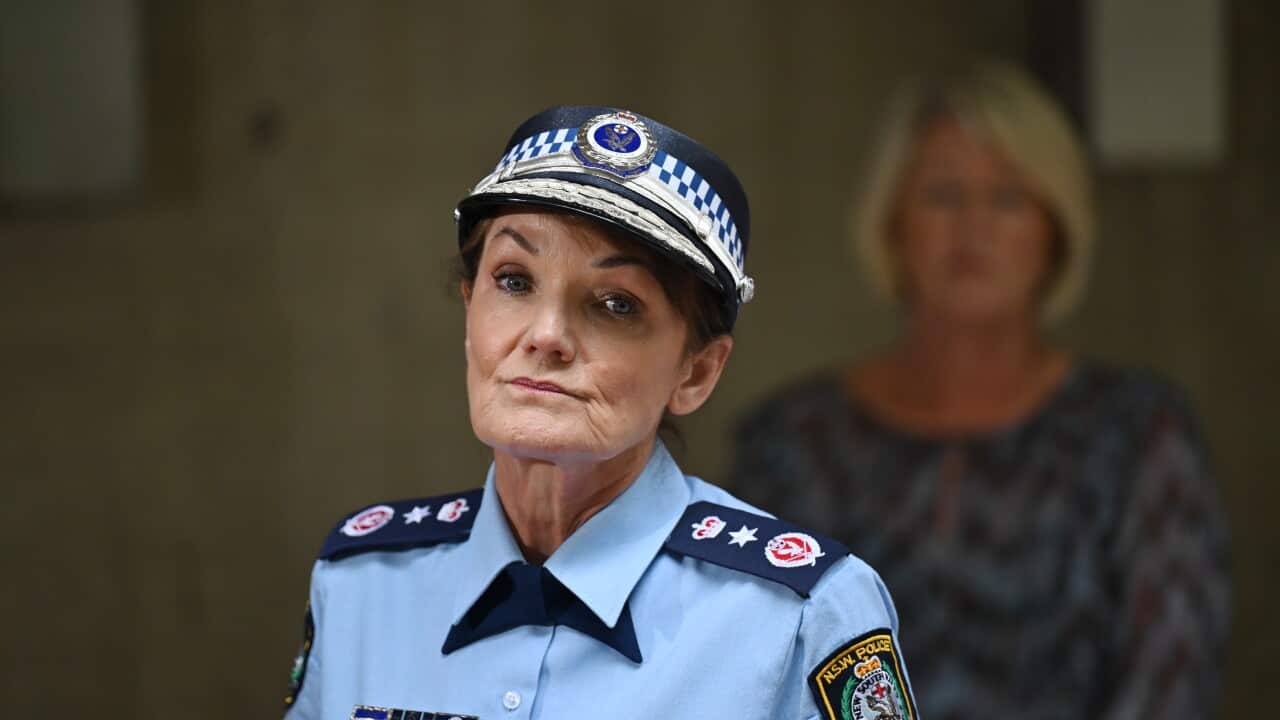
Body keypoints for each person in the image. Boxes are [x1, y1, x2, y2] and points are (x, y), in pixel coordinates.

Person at [282, 106, 918, 720]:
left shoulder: (802, 614)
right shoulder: (363, 582)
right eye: (513, 280)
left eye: (616, 303)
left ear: (696, 372)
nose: (546, 335)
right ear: (468, 307)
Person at [727, 62, 1232, 718]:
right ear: (891, 224)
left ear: (1056, 232)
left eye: (1009, 198)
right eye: (943, 194)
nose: (974, 227)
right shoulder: (792, 441)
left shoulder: (1138, 434)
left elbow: (1174, 681)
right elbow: (746, 672)